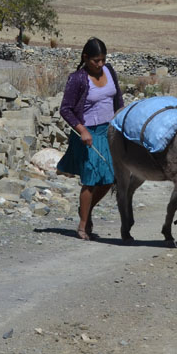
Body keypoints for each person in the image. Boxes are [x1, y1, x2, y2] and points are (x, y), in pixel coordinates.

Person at [57, 38, 124, 241]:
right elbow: (65, 109)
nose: (100, 64)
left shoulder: (109, 71)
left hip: (109, 131)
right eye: (96, 60)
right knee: (91, 179)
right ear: (85, 58)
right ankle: (83, 225)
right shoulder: (77, 78)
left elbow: (118, 99)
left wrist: (121, 120)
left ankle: (86, 208)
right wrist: (82, 130)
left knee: (111, 177)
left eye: (103, 59)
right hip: (88, 133)